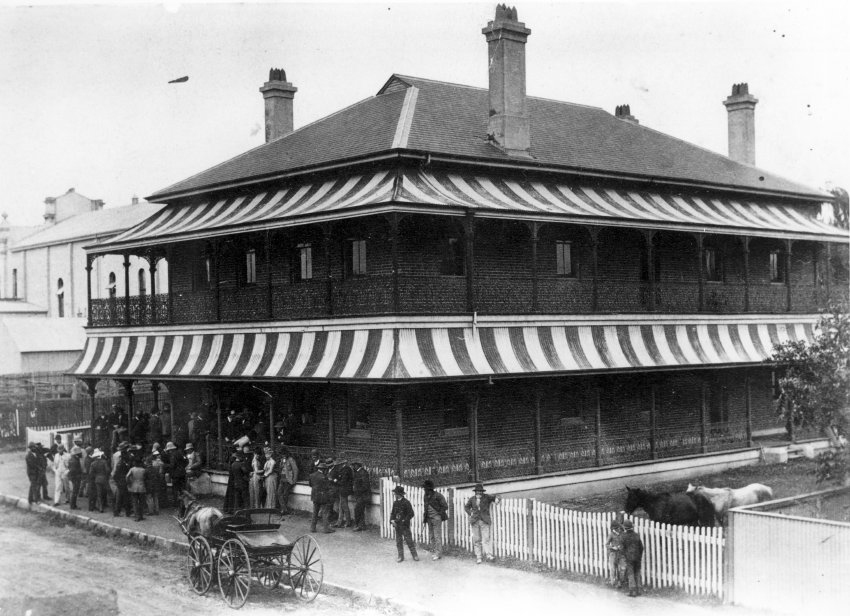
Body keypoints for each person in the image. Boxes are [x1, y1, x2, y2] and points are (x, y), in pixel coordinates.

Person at [464, 483, 500, 564]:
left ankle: (488, 555)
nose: (479, 493)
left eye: (480, 492)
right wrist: (470, 513)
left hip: (484, 521)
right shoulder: (472, 499)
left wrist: (497, 499)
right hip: (475, 521)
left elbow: (496, 497)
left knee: (486, 539)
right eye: (477, 491)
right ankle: (479, 557)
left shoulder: (487, 497)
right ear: (475, 492)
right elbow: (466, 507)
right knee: (477, 540)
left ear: (482, 492)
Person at [389, 485, 418, 563]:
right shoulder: (395, 503)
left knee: (409, 540)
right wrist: (392, 520)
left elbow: (411, 513)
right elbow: (392, 513)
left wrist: (404, 520)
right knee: (399, 542)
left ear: (399, 494)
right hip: (397, 525)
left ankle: (414, 555)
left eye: (395, 493)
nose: (394, 495)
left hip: (405, 525)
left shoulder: (406, 502)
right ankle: (400, 556)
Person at [422, 479, 448, 560]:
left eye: (426, 489)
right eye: (424, 489)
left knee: (437, 536)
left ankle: (438, 553)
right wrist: (425, 516)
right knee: (431, 535)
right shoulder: (425, 496)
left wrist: (438, 514)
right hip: (429, 518)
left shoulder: (438, 496)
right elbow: (425, 507)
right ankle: (433, 551)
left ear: (430, 489)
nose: (425, 490)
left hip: (436, 518)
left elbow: (445, 506)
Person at [309, 461, 335, 534]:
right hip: (323, 497)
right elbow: (327, 487)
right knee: (324, 513)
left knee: (315, 512)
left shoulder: (312, 475)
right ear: (323, 469)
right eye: (325, 469)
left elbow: (310, 485)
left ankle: (312, 528)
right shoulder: (324, 477)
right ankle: (326, 529)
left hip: (315, 496)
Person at [620, 519, 644, 597]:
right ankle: (639, 590)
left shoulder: (623, 536)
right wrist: (639, 555)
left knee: (631, 573)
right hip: (637, 557)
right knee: (637, 572)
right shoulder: (637, 535)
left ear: (625, 528)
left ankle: (632, 591)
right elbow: (641, 547)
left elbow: (622, 548)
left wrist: (625, 555)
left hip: (629, 557)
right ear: (632, 527)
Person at [329, 454, 353, 528]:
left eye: (339, 464)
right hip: (342, 490)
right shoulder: (344, 469)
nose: (338, 465)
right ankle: (339, 522)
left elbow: (343, 482)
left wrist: (334, 480)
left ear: (342, 464)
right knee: (341, 506)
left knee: (344, 506)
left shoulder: (346, 470)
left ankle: (348, 522)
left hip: (344, 490)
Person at [276, 447, 298, 514]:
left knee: (285, 494)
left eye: (284, 454)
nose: (283, 456)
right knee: (279, 493)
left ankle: (283, 510)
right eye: (282, 454)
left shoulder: (291, 459)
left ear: (286, 454)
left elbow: (295, 470)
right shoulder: (282, 460)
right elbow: (280, 469)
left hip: (288, 480)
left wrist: (294, 480)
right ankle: (284, 509)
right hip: (282, 479)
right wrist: (282, 464)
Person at [350, 462, 371, 531]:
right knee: (360, 510)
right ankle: (361, 525)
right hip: (360, 495)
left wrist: (357, 490)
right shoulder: (359, 472)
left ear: (357, 465)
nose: (353, 467)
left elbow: (365, 486)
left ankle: (358, 525)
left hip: (362, 495)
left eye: (353, 465)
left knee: (357, 510)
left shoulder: (363, 473)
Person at [606, 518, 625, 587]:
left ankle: (620, 582)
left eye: (618, 528)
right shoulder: (611, 535)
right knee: (613, 568)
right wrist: (613, 547)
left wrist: (621, 547)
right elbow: (606, 544)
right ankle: (612, 582)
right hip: (613, 554)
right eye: (615, 528)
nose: (617, 529)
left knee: (622, 568)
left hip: (621, 554)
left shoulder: (622, 534)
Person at [147, 450, 165, 515]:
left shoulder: (148, 468)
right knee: (155, 497)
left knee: (150, 497)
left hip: (150, 484)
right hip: (156, 482)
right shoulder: (160, 463)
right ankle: (157, 510)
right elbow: (160, 474)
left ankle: (151, 511)